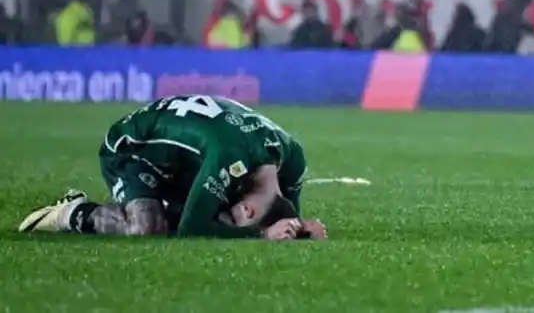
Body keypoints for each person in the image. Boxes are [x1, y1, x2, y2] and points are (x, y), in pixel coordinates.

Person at [19, 95, 326, 239]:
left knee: (209, 212)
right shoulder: (228, 155)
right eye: (235, 217)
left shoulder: (292, 160)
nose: (231, 215)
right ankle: (73, 212)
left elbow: (285, 215)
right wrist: (261, 237)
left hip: (184, 158)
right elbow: (193, 229)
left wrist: (302, 230)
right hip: (134, 150)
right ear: (246, 211)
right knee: (148, 228)